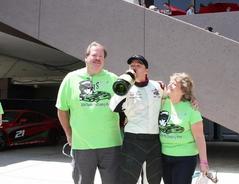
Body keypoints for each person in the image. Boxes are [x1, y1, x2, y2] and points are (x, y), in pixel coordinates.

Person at [56, 41, 122, 184]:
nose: (97, 58)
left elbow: (130, 102)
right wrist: (68, 133)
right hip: (82, 145)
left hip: (111, 145)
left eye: (101, 56)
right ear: (86, 57)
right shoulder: (71, 78)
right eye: (94, 55)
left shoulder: (114, 79)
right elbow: (62, 109)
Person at [109, 54, 163, 184]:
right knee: (128, 178)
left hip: (154, 139)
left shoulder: (158, 86)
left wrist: (191, 99)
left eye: (138, 65)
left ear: (146, 70)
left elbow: (174, 99)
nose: (135, 68)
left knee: (153, 178)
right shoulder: (125, 87)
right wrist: (125, 85)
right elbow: (113, 107)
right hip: (133, 138)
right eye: (132, 66)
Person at [158, 72, 209, 184]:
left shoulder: (192, 110)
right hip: (164, 156)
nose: (170, 85)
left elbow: (199, 137)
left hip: (185, 158)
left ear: (183, 91)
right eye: (170, 82)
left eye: (174, 84)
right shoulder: (161, 102)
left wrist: (204, 162)